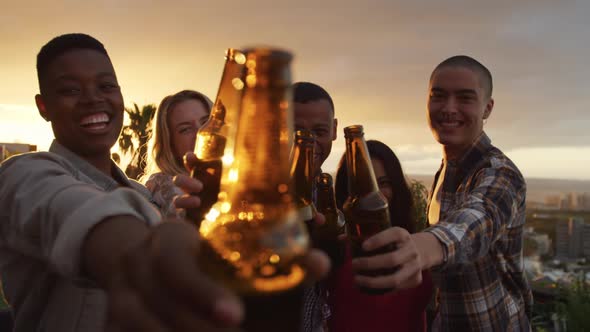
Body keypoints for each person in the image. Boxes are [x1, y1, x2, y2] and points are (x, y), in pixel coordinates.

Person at [0, 33, 329, 332]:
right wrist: (140, 255)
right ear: (43, 106)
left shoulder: (145, 197)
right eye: (71, 90)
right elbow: (69, 209)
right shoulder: (24, 173)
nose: (92, 99)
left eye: (105, 86)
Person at [350, 56, 532, 331]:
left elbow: (474, 222)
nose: (449, 108)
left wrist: (419, 249)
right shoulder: (445, 171)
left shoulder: (501, 173)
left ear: (487, 108)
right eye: (438, 96)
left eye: (465, 98)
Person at [329, 139, 433, 332]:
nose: (374, 194)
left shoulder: (413, 243)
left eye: (384, 183)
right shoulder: (338, 249)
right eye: (364, 185)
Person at [291, 81, 339, 332]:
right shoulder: (254, 194)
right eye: (297, 132)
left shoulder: (334, 194)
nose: (308, 142)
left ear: (334, 130)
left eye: (319, 131)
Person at [142, 89, 212, 217]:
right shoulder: (163, 184)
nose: (201, 133)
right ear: (170, 144)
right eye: (185, 129)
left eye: (206, 122)